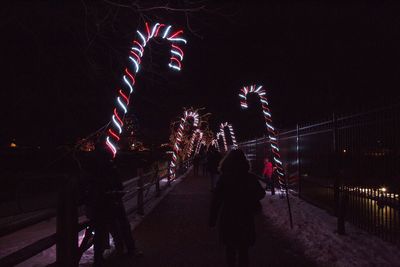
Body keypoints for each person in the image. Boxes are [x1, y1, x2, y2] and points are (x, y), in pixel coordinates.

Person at [209, 149, 265, 267]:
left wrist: (212, 219)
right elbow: (261, 193)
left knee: (230, 249)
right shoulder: (249, 177)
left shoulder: (224, 178)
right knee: (243, 250)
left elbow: (217, 200)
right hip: (245, 216)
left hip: (229, 216)